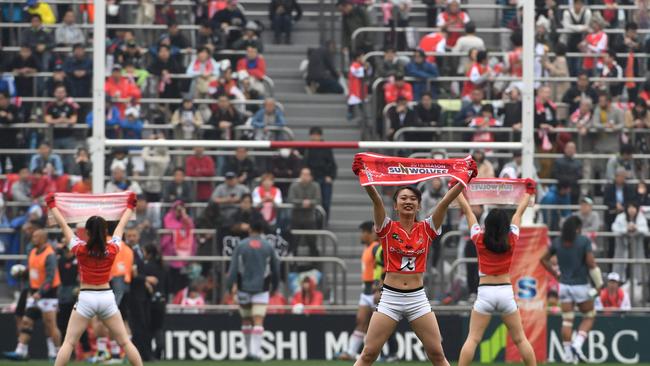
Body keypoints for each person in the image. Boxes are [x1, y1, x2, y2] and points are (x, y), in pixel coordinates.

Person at [350, 155, 475, 366]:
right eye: (403, 198)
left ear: (418, 206)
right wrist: (364, 175)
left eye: (413, 199)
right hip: (390, 297)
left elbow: (444, 202)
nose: (408, 201)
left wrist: (466, 177)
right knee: (369, 354)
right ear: (396, 206)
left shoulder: (427, 228)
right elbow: (376, 199)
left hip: (417, 298)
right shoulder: (387, 227)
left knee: (437, 354)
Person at [46, 192, 143, 366]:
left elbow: (63, 225)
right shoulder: (112, 249)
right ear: (106, 231)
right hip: (106, 296)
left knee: (68, 343)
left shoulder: (80, 249)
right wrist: (130, 207)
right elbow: (121, 225)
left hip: (86, 297)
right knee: (125, 342)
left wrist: (53, 206)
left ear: (87, 232)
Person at [456, 181, 536, 366]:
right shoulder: (512, 239)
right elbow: (518, 213)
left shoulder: (478, 238)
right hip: (505, 292)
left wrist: (458, 189)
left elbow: (468, 212)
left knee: (473, 339)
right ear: (505, 226)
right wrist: (529, 193)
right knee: (521, 339)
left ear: (487, 224)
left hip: (485, 292)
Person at [540, 216, 603, 363]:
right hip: (581, 285)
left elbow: (542, 259)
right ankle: (577, 344)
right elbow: (591, 264)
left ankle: (568, 355)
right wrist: (599, 284)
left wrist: (556, 274)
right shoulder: (583, 241)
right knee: (589, 316)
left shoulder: (557, 242)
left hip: (564, 286)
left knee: (567, 320)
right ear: (577, 228)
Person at [3, 229, 61, 361]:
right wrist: (23, 274)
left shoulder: (49, 255)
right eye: (33, 236)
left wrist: (40, 293)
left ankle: (57, 353)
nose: (33, 238)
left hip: (48, 295)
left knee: (50, 325)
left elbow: (50, 278)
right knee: (26, 321)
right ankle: (20, 351)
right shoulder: (33, 252)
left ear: (43, 239)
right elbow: (32, 270)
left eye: (36, 236)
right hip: (34, 293)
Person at [226, 219, 280, 361]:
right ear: (262, 231)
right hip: (262, 288)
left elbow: (232, 269)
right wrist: (275, 286)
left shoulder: (241, 245)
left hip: (243, 288)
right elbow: (276, 268)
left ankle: (249, 351)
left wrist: (229, 286)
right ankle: (255, 353)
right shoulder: (268, 246)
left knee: (245, 320)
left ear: (249, 229)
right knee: (258, 320)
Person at [338, 221, 380, 360]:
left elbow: (384, 267)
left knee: (377, 325)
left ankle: (382, 354)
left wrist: (379, 287)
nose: (361, 235)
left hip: (375, 290)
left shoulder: (376, 248)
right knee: (361, 321)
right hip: (366, 290)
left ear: (370, 233)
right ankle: (351, 352)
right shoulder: (368, 248)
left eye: (363, 232)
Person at [302, 127, 337, 219]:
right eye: (312, 135)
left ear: (320, 136)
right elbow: (304, 163)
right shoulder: (306, 148)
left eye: (316, 135)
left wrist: (330, 176)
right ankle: (312, 222)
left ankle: (324, 223)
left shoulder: (326, 147)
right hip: (311, 179)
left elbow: (332, 164)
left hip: (324, 178)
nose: (314, 137)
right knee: (311, 202)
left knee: (325, 202)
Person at [288, 168, 321, 256]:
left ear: (311, 176)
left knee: (312, 242)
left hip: (310, 218)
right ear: (300, 175)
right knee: (294, 243)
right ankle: (292, 264)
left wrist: (310, 203)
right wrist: (302, 203)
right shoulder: (294, 186)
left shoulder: (315, 186)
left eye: (307, 175)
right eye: (303, 174)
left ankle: (315, 263)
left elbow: (318, 200)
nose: (305, 177)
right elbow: (291, 199)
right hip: (296, 218)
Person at [611, 203, 648, 284]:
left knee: (637, 272)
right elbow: (614, 228)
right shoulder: (620, 217)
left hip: (637, 249)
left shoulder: (641, 217)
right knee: (620, 273)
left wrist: (636, 228)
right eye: (630, 207)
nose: (631, 210)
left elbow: (645, 230)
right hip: (622, 248)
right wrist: (626, 229)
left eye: (633, 207)